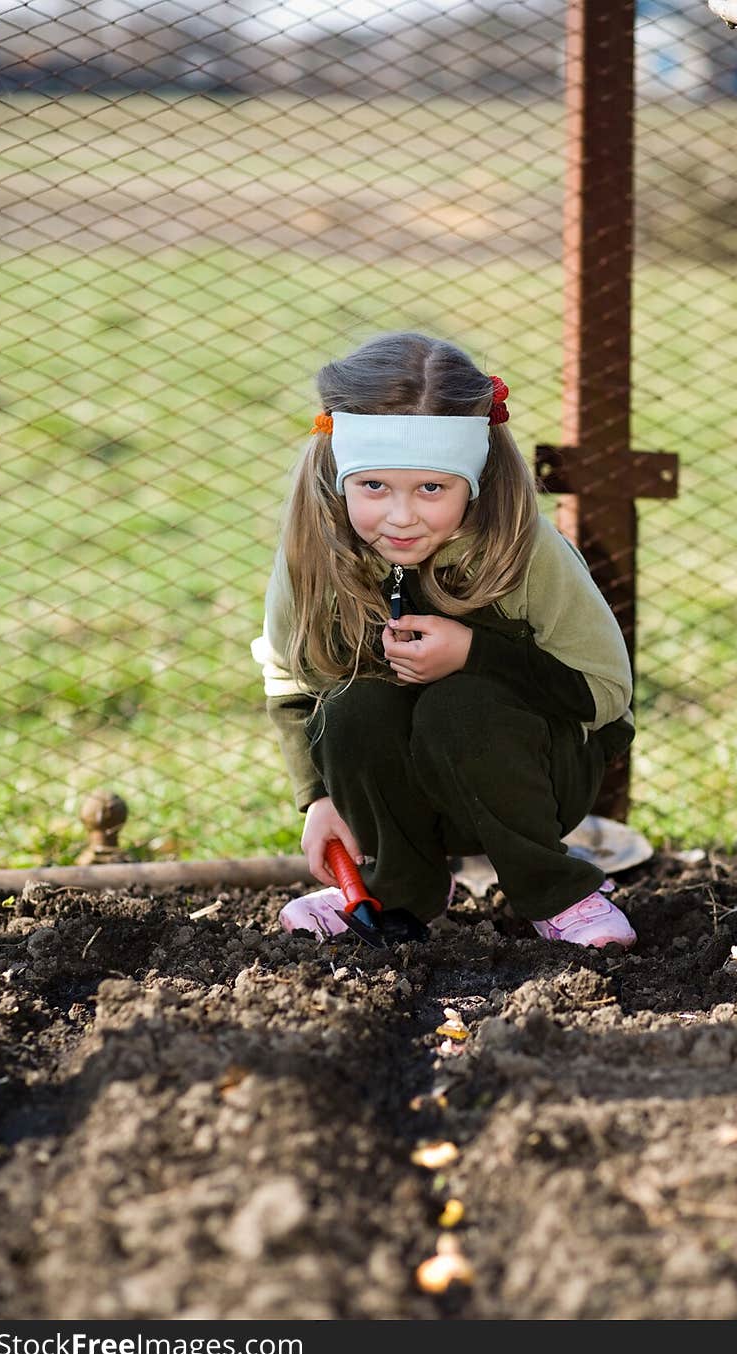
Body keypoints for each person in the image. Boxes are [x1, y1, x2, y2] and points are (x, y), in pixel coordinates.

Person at [251, 331, 636, 948]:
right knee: (354, 706)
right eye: (373, 487)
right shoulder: (312, 554)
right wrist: (317, 799)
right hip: (399, 794)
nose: (401, 516)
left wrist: (475, 653)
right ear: (340, 472)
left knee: (461, 706)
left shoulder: (528, 551)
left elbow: (607, 693)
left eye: (432, 488)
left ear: (475, 478)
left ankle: (555, 890)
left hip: (536, 784)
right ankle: (401, 888)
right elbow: (288, 678)